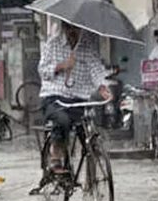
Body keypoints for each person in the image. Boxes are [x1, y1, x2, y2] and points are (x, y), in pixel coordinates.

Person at [38, 22, 111, 173]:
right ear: (64, 28)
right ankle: (55, 157)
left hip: (78, 99)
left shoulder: (87, 47)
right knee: (62, 121)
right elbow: (43, 70)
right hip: (54, 97)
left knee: (87, 130)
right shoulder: (53, 44)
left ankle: (92, 171)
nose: (73, 32)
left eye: (76, 28)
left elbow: (96, 69)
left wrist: (102, 87)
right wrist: (61, 66)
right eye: (69, 28)